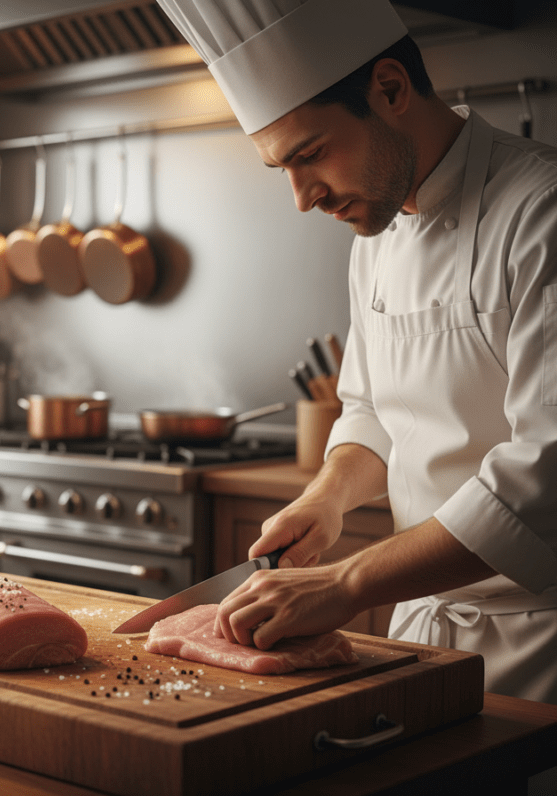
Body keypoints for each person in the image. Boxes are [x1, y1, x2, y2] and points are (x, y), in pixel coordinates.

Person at [157, 0, 557, 703]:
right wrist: (327, 497)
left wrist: (348, 581)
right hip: (423, 632)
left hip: (541, 645)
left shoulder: (541, 212)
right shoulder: (376, 232)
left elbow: (545, 472)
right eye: (280, 168)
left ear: (391, 89)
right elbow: (372, 411)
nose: (302, 198)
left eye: (309, 154)